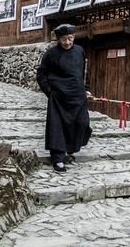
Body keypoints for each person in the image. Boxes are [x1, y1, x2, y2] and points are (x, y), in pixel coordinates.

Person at [36, 24, 92, 172]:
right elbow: (41, 75)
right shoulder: (51, 54)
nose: (67, 42)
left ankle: (71, 147)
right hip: (58, 97)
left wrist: (86, 90)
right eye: (63, 39)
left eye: (70, 38)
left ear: (74, 37)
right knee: (57, 128)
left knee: (82, 122)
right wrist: (50, 92)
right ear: (58, 39)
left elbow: (85, 73)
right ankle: (58, 158)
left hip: (78, 96)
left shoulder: (80, 51)